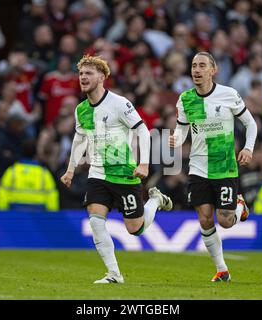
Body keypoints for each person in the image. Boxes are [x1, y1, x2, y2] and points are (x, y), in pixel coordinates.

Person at [60, 55, 173, 284]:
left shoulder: (119, 103)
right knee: (95, 220)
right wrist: (71, 169)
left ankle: (155, 201)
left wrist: (143, 163)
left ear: (102, 77)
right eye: (81, 73)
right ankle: (114, 274)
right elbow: (79, 139)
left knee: (135, 229)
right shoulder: (81, 110)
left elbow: (142, 130)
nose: (83, 77)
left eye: (89, 73)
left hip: (124, 173)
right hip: (98, 173)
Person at [169, 52, 257, 282]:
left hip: (225, 166)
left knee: (225, 220)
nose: (196, 70)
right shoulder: (185, 99)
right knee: (205, 218)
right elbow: (182, 129)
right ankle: (222, 269)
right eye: (193, 66)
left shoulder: (228, 95)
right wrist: (176, 139)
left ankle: (239, 206)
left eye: (202, 65)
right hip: (198, 167)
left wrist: (248, 148)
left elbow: (250, 124)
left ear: (213, 70)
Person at [0, 139, 59, 211]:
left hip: (15, 215)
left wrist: (3, 213)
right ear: (35, 154)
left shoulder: (12, 171)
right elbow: (51, 195)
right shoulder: (44, 173)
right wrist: (51, 216)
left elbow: (3, 192)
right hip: (38, 215)